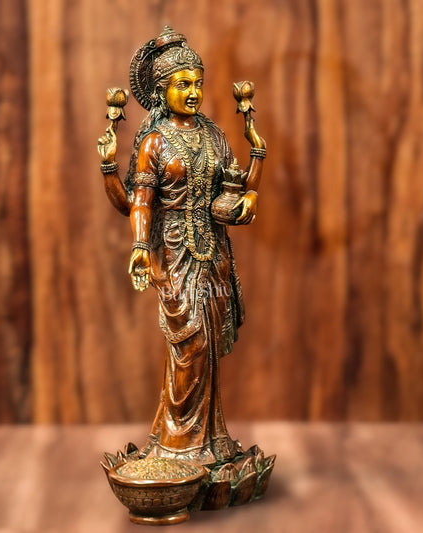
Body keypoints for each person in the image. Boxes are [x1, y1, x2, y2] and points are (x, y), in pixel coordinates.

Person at [98, 27, 266, 466]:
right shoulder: (154, 141)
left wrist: (255, 168)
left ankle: (208, 441)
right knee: (189, 344)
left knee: (209, 350)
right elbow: (140, 201)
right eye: (182, 84)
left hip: (214, 254)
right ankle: (177, 444)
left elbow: (233, 189)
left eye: (197, 83)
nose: (193, 93)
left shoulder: (213, 135)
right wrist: (140, 245)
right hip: (172, 254)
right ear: (160, 90)